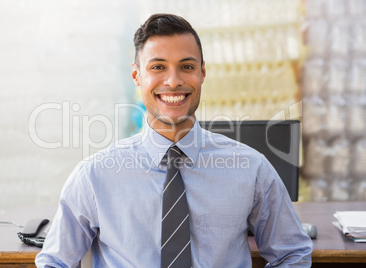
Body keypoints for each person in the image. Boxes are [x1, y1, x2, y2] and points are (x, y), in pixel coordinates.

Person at [36, 13, 312, 267]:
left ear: (202, 73)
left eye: (186, 66)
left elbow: (292, 254)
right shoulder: (94, 176)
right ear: (137, 75)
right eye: (158, 67)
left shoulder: (251, 169)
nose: (173, 81)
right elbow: (55, 262)